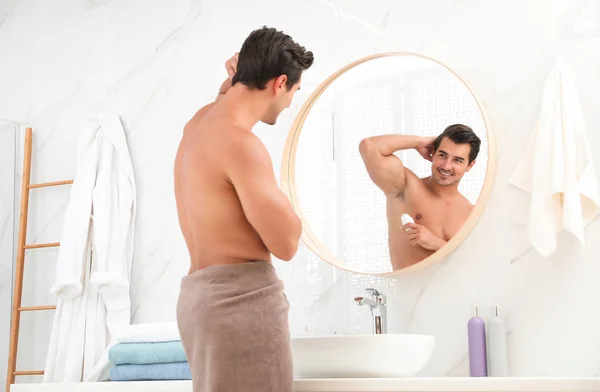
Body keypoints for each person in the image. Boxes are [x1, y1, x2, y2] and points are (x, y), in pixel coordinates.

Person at [173, 26, 313, 392]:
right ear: (280, 83)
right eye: (295, 91)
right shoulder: (241, 144)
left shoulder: (197, 124)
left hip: (198, 301)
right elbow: (286, 243)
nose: (289, 103)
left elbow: (226, 99)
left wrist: (230, 81)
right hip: (241, 305)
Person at [359, 124, 481, 270]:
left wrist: (437, 244)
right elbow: (370, 147)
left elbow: (475, 267)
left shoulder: (471, 213)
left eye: (457, 160)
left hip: (454, 292)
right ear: (433, 153)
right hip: (408, 290)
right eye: (442, 155)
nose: (447, 166)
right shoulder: (405, 186)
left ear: (470, 165)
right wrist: (420, 142)